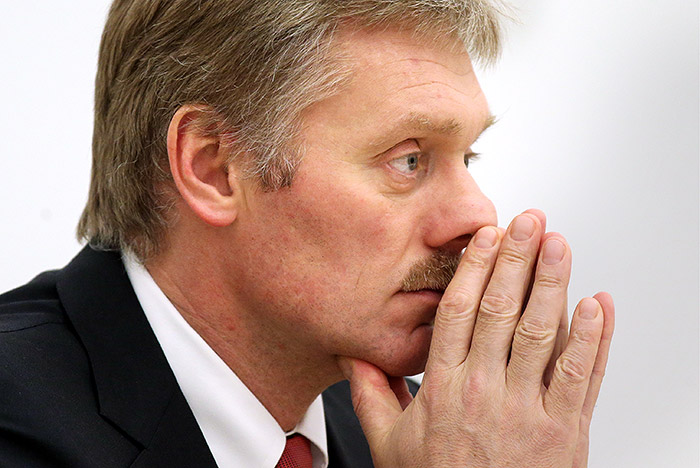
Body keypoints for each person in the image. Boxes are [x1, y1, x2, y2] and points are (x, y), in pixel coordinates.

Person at [0, 0, 615, 467]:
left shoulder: (430, 437)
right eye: (409, 159)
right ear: (213, 168)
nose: (478, 217)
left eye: (468, 157)